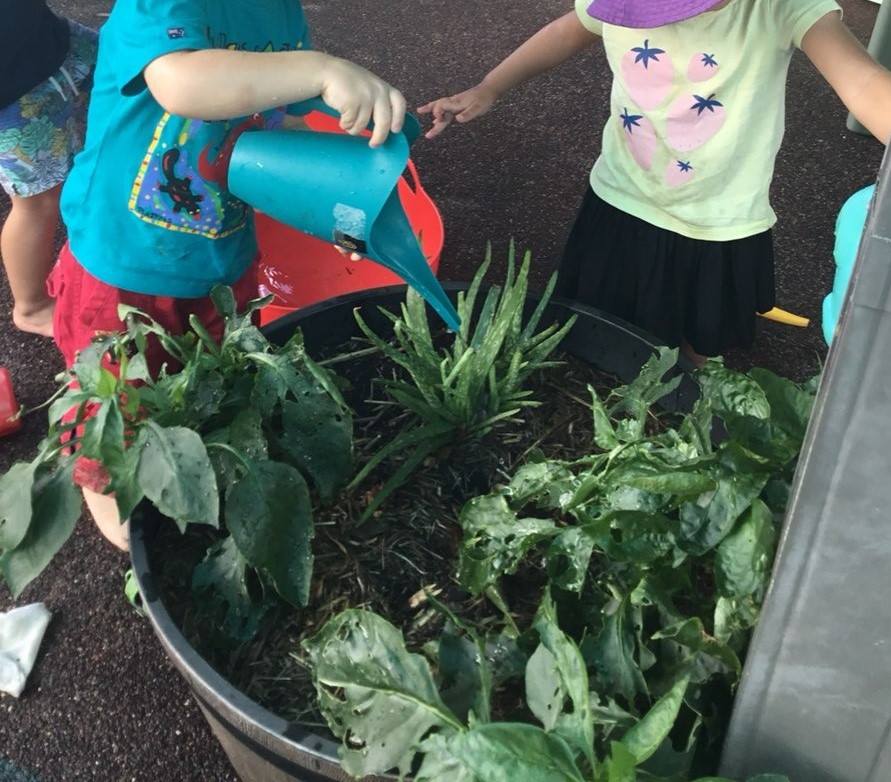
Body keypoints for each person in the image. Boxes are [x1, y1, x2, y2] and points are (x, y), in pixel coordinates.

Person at [54, 0, 407, 550]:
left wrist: (337, 173)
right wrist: (322, 69)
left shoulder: (279, 14)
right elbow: (182, 82)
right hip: (123, 268)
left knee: (214, 382)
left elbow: (275, 119)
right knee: (113, 418)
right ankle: (130, 536)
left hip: (222, 258)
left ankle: (196, 480)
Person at [419, 0, 891, 364]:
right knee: (603, 323)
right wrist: (490, 86)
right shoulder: (617, 6)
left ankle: (690, 399)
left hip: (717, 216)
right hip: (623, 193)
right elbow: (566, 29)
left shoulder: (779, 6)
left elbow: (864, 82)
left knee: (701, 335)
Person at [0, 1, 97, 337]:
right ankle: (32, 306)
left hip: (56, 42)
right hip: (15, 96)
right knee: (38, 201)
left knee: (133, 91)